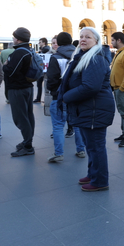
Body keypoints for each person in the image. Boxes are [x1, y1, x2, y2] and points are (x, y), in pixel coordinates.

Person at [58, 27, 115, 191]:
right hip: (88, 109)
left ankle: (100, 181)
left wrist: (66, 96)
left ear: (96, 40)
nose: (83, 39)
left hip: (95, 110)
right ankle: (93, 174)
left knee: (96, 146)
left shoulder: (95, 59)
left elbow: (90, 87)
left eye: (88, 37)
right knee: (91, 146)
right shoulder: (85, 56)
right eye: (81, 36)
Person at [46, 32, 86, 162]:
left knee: (58, 125)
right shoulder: (80, 56)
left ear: (59, 43)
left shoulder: (55, 57)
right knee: (78, 125)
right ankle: (81, 150)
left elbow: (51, 80)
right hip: (76, 95)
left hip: (60, 96)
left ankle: (59, 154)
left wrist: (54, 91)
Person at [3, 27, 37, 157]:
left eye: (13, 37)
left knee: (20, 118)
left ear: (17, 39)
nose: (12, 39)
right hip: (27, 87)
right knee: (28, 116)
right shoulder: (28, 50)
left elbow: (11, 71)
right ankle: (27, 141)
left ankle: (28, 146)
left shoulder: (18, 53)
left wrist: (5, 65)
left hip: (18, 90)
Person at [33, 37, 50, 103]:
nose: (39, 43)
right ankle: (40, 98)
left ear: (44, 43)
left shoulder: (45, 49)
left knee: (40, 85)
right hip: (43, 70)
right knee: (41, 85)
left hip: (43, 70)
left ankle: (39, 98)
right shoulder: (44, 49)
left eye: (40, 42)